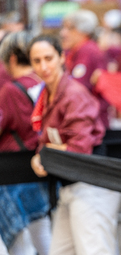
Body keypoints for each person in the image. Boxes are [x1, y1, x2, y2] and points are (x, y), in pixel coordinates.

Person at [28, 34, 121, 255]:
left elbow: (79, 148)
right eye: (37, 60)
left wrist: (45, 155)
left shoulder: (73, 94)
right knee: (61, 251)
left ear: (61, 57)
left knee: (95, 250)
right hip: (70, 184)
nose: (43, 66)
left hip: (91, 183)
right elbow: (47, 140)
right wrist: (40, 155)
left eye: (48, 58)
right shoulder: (48, 94)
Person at [0, 31, 51, 255]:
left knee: (18, 237)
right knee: (42, 230)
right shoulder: (43, 83)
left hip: (13, 171)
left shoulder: (10, 90)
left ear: (10, 58)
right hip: (40, 162)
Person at [59, 9, 110, 128]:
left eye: (69, 28)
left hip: (89, 120)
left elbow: (78, 86)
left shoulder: (87, 51)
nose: (63, 33)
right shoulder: (77, 50)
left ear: (83, 31)